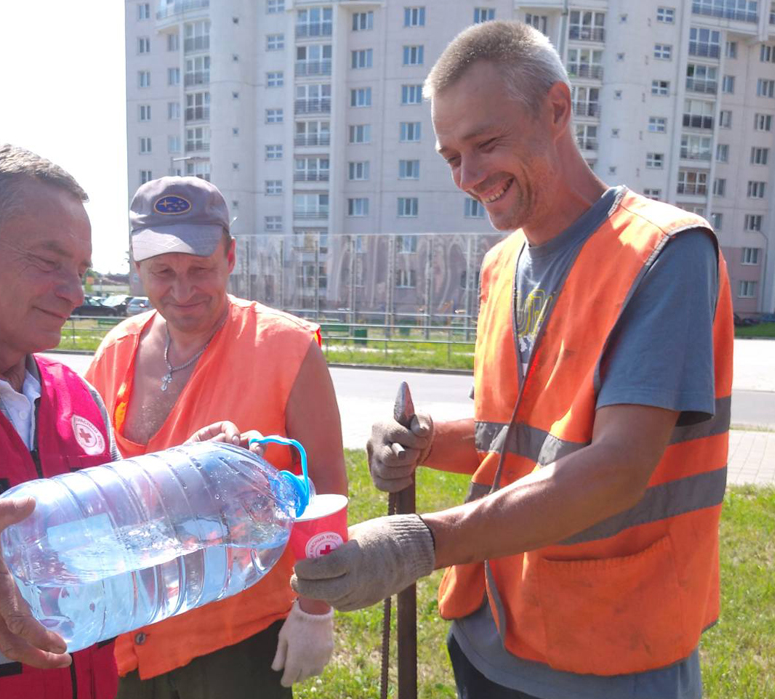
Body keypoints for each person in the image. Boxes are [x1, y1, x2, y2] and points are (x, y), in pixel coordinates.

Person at [292, 20, 733, 699]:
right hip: (490, 630)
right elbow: (523, 437)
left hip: (609, 648)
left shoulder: (664, 253)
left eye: (486, 143)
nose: (469, 177)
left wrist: (421, 541)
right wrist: (427, 438)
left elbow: (616, 468)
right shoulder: (504, 265)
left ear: (557, 109)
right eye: (450, 157)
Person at [84, 176, 348, 699]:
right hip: (126, 639)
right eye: (162, 271)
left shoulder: (286, 349)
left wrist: (315, 610)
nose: (182, 290)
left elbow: (327, 494)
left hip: (236, 644)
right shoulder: (113, 352)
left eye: (200, 269)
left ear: (230, 257)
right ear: (138, 270)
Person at [0, 141, 119, 698]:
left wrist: (194, 473)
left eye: (81, 269)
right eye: (48, 261)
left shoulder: (78, 398)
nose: (76, 292)